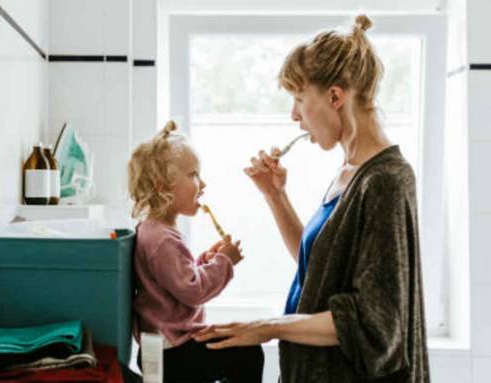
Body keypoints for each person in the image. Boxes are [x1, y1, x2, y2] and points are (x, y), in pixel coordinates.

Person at [193, 14, 430, 382]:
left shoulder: (386, 181)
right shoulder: (349, 172)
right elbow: (319, 271)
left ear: (335, 96)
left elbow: (378, 323)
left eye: (300, 99)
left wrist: (268, 327)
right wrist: (276, 196)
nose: (294, 116)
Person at [127, 121, 265, 382]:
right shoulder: (161, 239)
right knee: (247, 351)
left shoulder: (156, 231)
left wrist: (204, 261)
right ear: (162, 186)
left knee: (241, 349)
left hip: (168, 347)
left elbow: (175, 281)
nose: (202, 183)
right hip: (174, 352)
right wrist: (225, 262)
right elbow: (193, 291)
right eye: (193, 175)